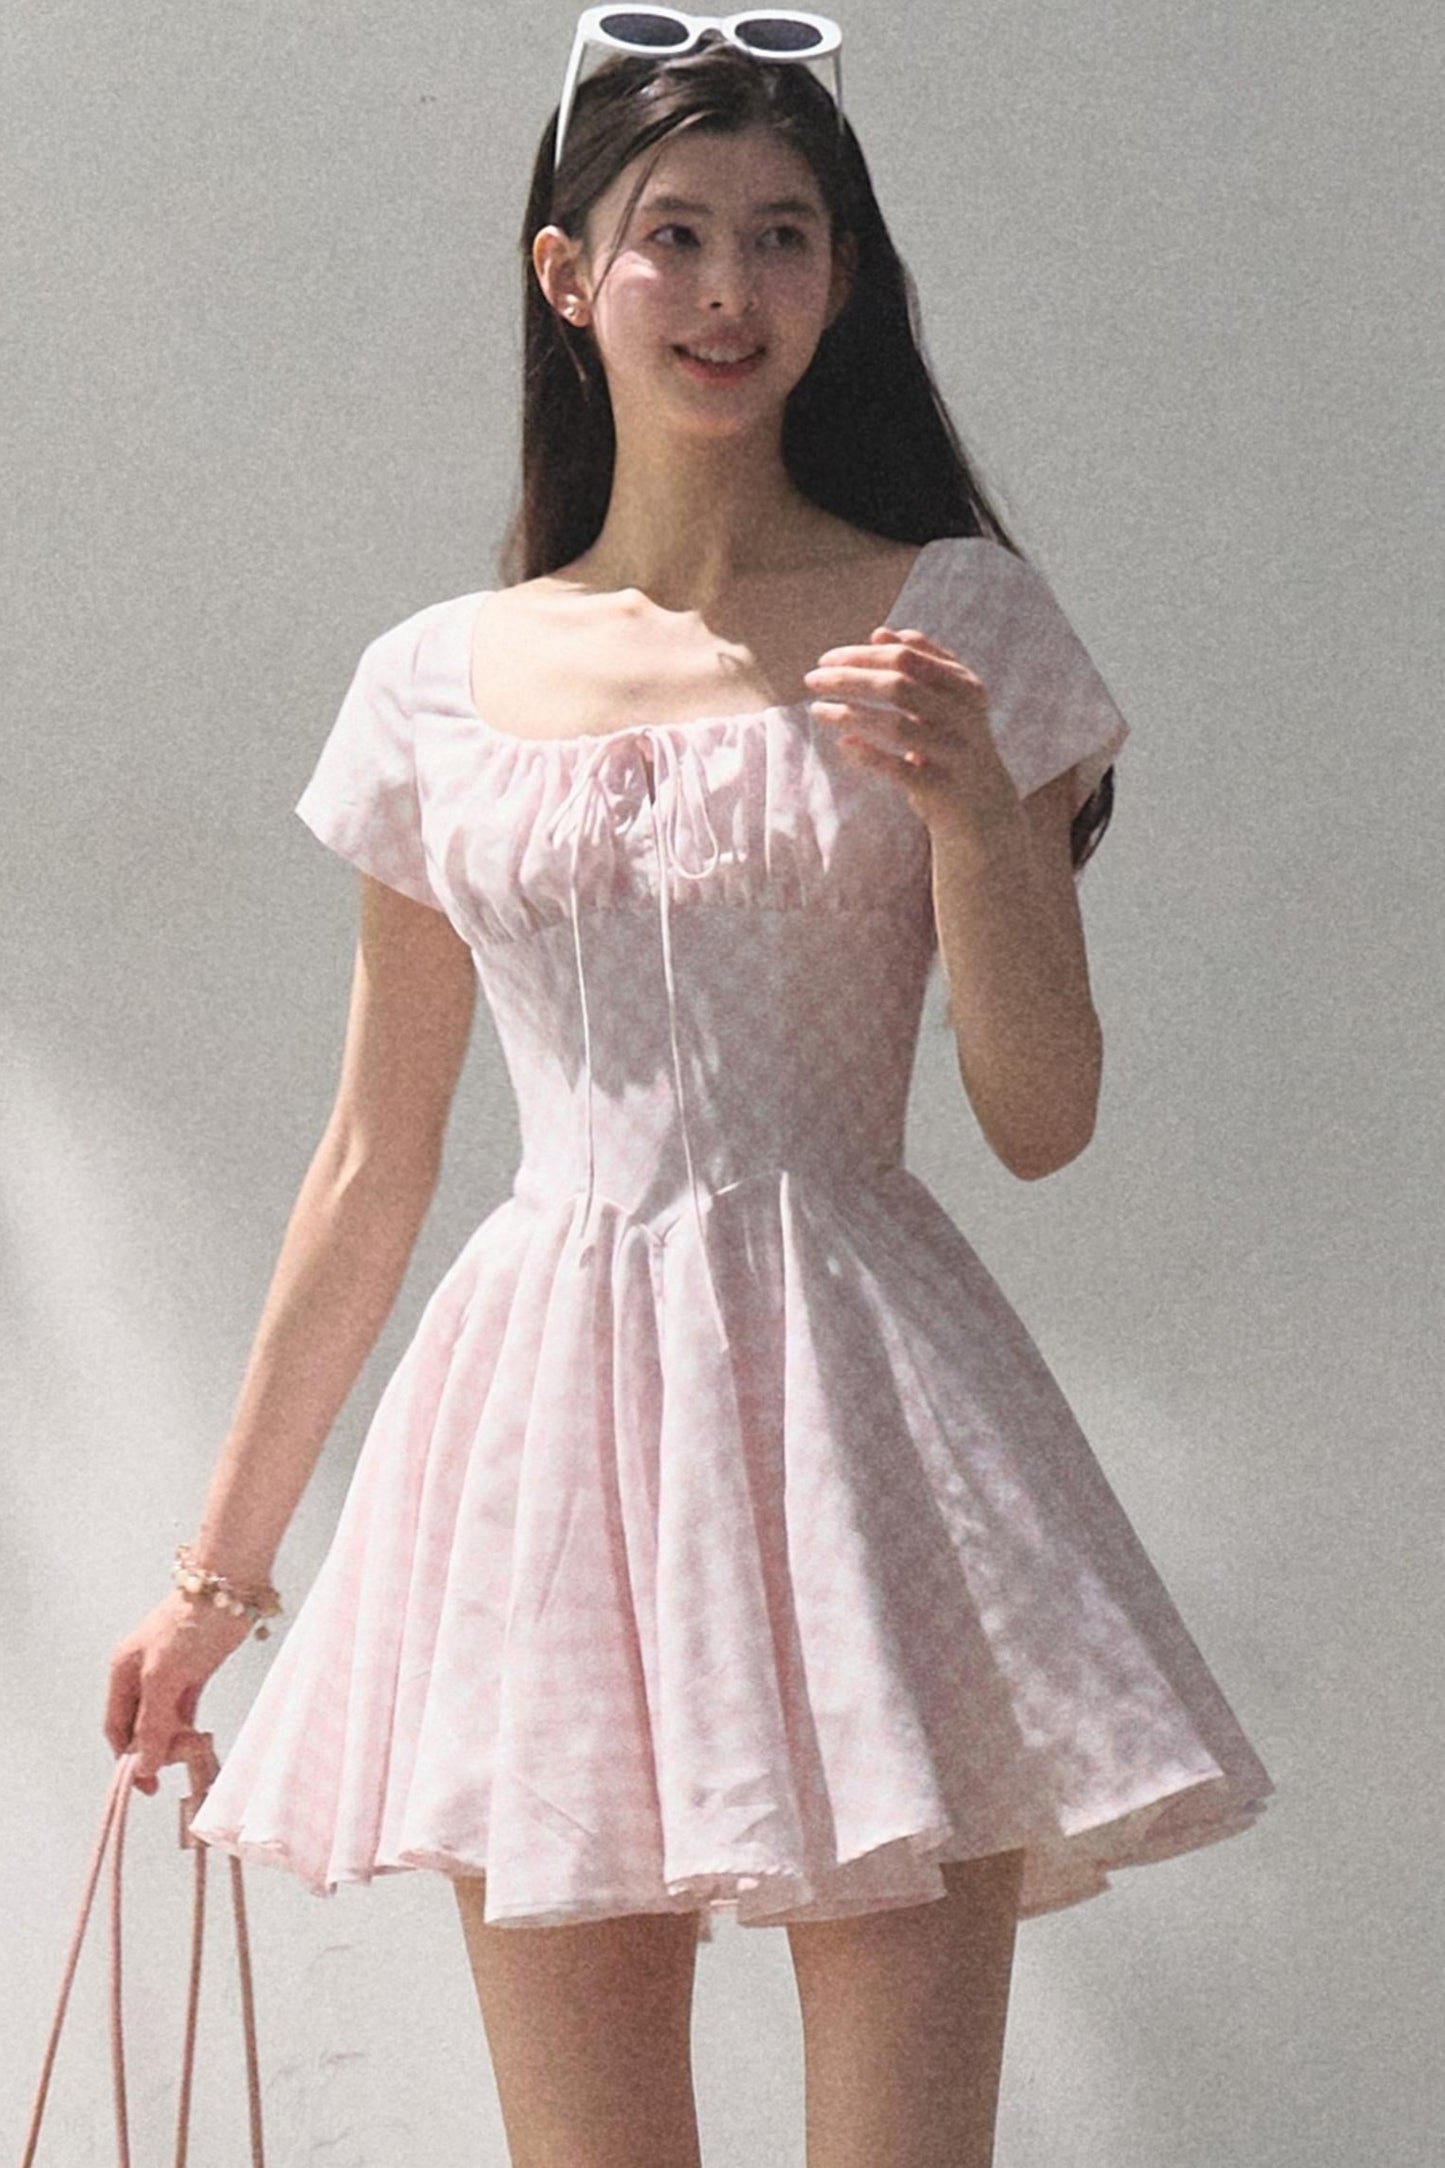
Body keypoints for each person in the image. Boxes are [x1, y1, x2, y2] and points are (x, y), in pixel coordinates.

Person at [103, 14, 1274, 2165]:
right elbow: (372, 1160)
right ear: (569, 274)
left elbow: (1041, 1115)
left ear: (844, 279)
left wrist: (976, 813)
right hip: (537, 1449)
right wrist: (215, 1578)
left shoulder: (961, 623)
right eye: (676, 236)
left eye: (784, 237)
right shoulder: (435, 683)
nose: (731, 290)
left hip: (867, 1435)